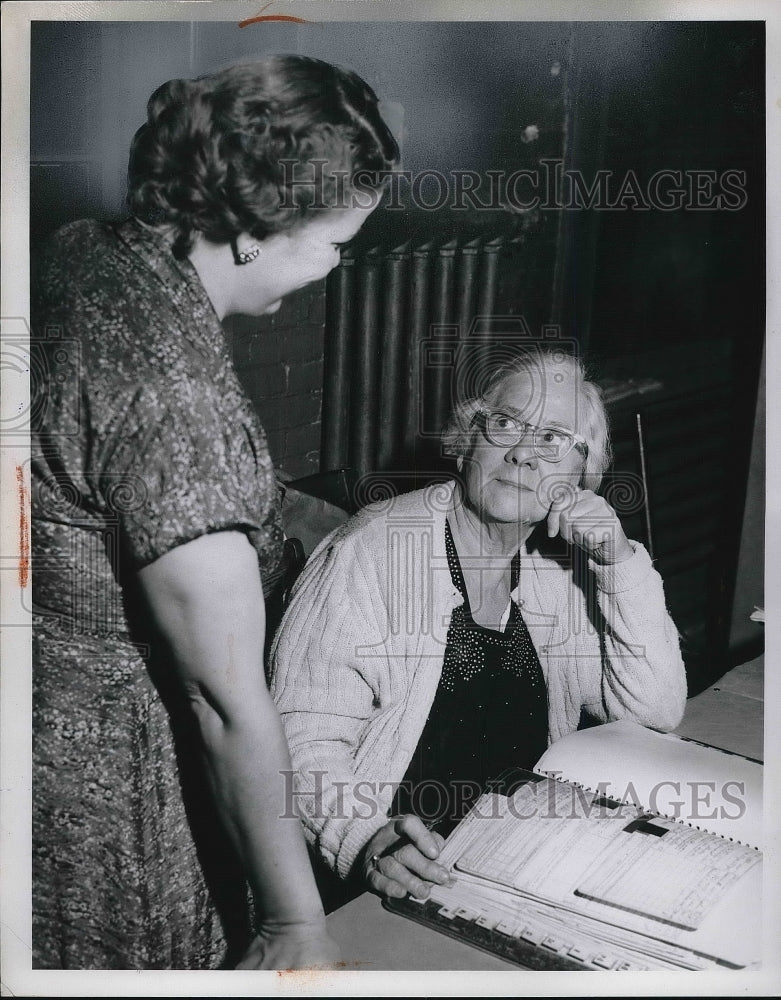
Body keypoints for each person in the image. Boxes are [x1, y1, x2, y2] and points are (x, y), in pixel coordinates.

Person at [31, 55, 398, 969]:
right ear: (251, 228)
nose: (334, 269)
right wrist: (294, 923)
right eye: (334, 243)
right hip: (113, 795)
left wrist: (319, 523)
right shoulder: (173, 390)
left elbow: (134, 480)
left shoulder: (92, 255)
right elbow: (220, 699)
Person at [269, 347, 687, 905]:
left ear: (581, 475)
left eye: (553, 439)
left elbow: (653, 709)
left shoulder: (556, 570)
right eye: (507, 424)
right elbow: (298, 739)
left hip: (516, 863)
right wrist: (365, 840)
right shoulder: (372, 554)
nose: (523, 455)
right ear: (467, 440)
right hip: (388, 879)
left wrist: (619, 562)